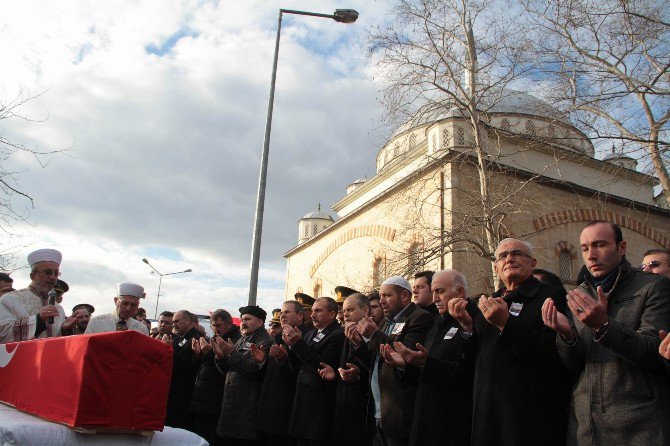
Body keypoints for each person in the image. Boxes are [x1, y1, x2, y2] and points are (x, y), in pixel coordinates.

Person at [543, 221, 670, 445]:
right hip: (586, 424)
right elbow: (574, 366)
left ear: (621, 248)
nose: (591, 255)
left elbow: (655, 351)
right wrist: (567, 337)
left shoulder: (652, 287)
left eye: (599, 245)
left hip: (639, 422)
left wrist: (604, 325)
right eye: (584, 248)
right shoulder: (577, 295)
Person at [450, 238, 571, 446]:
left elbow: (552, 355)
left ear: (532, 264)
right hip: (487, 417)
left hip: (528, 419)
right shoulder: (486, 303)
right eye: (502, 256)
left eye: (517, 253)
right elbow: (473, 361)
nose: (509, 259)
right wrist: (467, 329)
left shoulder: (551, 296)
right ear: (496, 268)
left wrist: (506, 324)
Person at [385, 270, 474, 446]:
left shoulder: (473, 320)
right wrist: (404, 365)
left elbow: (466, 370)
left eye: (440, 291)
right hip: (427, 418)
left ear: (460, 292)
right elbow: (423, 373)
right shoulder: (437, 324)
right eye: (433, 292)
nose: (434, 299)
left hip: (454, 421)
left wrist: (427, 362)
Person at [356, 276, 434, 446]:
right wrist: (358, 343)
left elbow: (404, 355)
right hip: (380, 411)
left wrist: (374, 335)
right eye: (381, 296)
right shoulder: (385, 322)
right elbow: (375, 360)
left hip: (400, 413)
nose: (382, 301)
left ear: (404, 296)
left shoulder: (420, 318)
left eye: (387, 296)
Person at [285, 297, 344, 446]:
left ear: (331, 314)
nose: (312, 315)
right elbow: (300, 366)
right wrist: (291, 347)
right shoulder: (311, 333)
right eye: (312, 311)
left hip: (318, 406)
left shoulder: (337, 334)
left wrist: (298, 344)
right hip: (302, 403)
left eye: (318, 311)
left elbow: (322, 365)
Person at [320, 293, 374, 446]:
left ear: (365, 311)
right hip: (343, 406)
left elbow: (378, 366)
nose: (345, 314)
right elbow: (342, 366)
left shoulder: (372, 333)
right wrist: (335, 372)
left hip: (362, 408)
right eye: (344, 311)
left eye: (350, 310)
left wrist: (358, 374)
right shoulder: (346, 333)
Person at [215, 305, 272, 446]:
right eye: (242, 320)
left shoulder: (265, 341)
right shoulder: (242, 339)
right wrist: (220, 358)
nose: (243, 323)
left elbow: (254, 370)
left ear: (260, 322)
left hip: (247, 407)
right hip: (232, 405)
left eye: (247, 319)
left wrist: (231, 353)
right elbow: (230, 369)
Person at [188, 309, 241, 446]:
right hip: (204, 395)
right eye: (213, 325)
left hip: (216, 398)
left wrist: (211, 353)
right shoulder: (214, 338)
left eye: (218, 325)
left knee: (212, 437)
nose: (215, 329)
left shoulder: (233, 340)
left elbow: (227, 369)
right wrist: (199, 354)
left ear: (228, 324)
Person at [257, 300, 305, 446]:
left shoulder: (304, 336)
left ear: (300, 316)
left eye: (287, 312)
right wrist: (261, 362)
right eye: (282, 312)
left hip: (287, 408)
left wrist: (285, 358)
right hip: (270, 405)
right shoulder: (277, 339)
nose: (282, 316)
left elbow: (301, 370)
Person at [0, 249, 68, 343]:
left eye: (56, 273)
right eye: (48, 272)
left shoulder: (59, 308)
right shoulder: (9, 300)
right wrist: (38, 320)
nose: (53, 277)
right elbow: (3, 334)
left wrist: (65, 329)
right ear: (33, 276)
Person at [164, 310, 200, 430]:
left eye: (176, 321)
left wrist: (168, 350)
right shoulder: (182, 339)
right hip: (175, 392)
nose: (174, 325)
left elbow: (183, 366)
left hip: (183, 394)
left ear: (188, 321)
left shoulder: (195, 339)